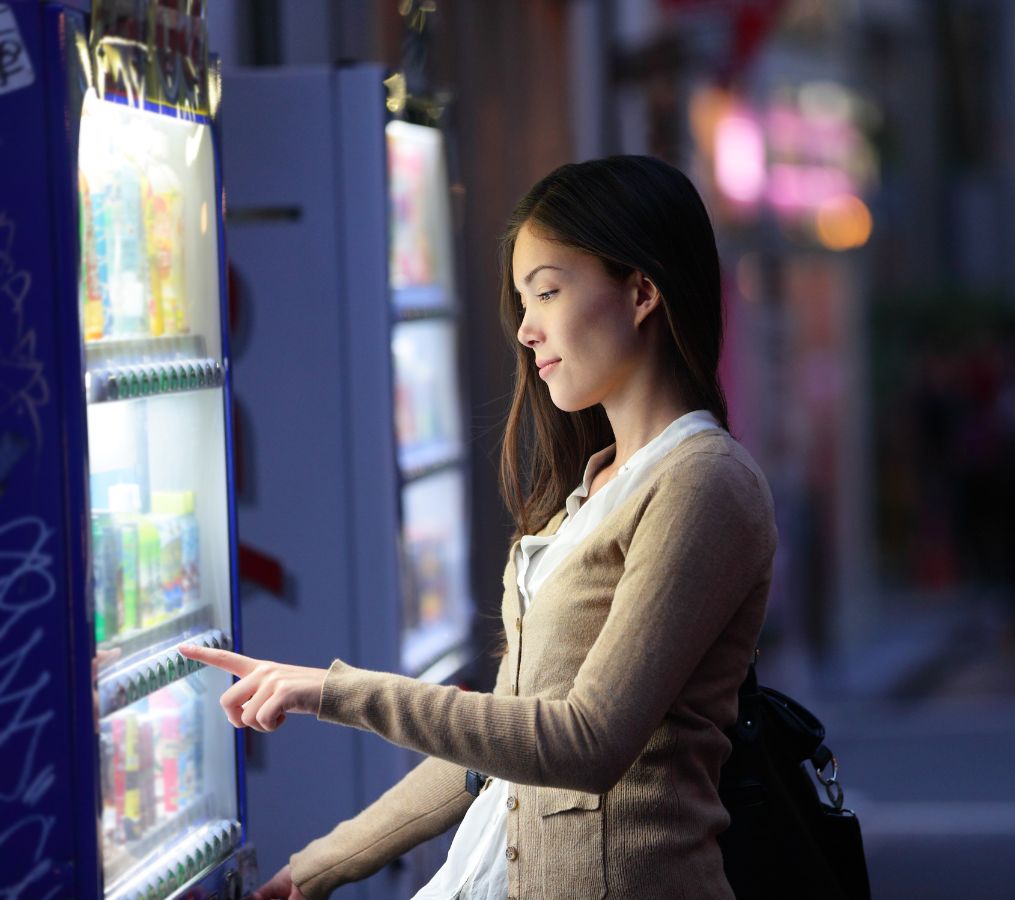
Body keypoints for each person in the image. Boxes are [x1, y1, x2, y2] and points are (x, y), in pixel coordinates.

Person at [181, 155, 778, 900]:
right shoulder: (589, 490)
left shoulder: (703, 482)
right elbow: (489, 756)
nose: (526, 330)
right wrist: (321, 868)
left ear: (642, 292)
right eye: (523, 302)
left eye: (549, 292)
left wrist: (333, 692)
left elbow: (586, 743)